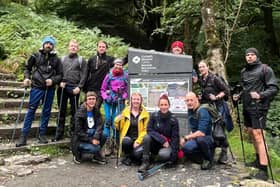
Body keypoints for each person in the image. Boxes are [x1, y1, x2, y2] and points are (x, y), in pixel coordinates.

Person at [233, 48, 278, 180]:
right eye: (247, 55)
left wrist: (260, 95)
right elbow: (245, 88)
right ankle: (258, 160)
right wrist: (239, 95)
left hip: (260, 107)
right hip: (247, 107)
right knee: (251, 132)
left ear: (257, 56)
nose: (250, 57)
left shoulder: (265, 69)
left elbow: (274, 88)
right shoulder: (244, 71)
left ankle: (264, 170)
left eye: (252, 55)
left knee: (259, 135)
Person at [16, 36, 62, 147]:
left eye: (51, 44)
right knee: (31, 111)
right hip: (36, 87)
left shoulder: (56, 59)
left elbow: (60, 74)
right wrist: (26, 78)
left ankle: (42, 135)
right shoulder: (35, 55)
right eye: (47, 43)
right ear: (43, 44)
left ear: (53, 46)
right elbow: (27, 68)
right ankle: (23, 136)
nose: (48, 45)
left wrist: (53, 80)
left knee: (46, 112)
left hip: (49, 89)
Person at [197, 60, 233, 164]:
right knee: (211, 129)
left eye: (203, 67)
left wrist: (216, 97)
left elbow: (227, 90)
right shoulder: (201, 79)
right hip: (208, 107)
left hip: (219, 106)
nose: (201, 69)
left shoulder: (215, 78)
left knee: (220, 129)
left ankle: (224, 152)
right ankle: (211, 150)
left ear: (207, 67)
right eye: (199, 67)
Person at [52, 39, 87, 141]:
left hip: (74, 88)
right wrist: (59, 83)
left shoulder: (81, 60)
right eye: (71, 46)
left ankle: (74, 132)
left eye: (75, 46)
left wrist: (79, 87)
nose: (73, 48)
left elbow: (84, 75)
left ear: (78, 48)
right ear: (68, 47)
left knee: (74, 111)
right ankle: (59, 133)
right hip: (63, 87)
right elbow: (57, 72)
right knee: (61, 110)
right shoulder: (62, 59)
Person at [138, 94, 179, 172]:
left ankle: (158, 158)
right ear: (158, 106)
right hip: (156, 143)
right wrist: (162, 140)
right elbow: (149, 130)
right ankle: (145, 162)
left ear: (169, 105)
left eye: (165, 105)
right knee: (146, 137)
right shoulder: (154, 116)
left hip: (167, 146)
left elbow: (175, 138)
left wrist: (174, 157)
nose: (163, 107)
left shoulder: (173, 119)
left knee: (163, 155)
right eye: (161, 105)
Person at [83, 41, 127, 110]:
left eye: (103, 47)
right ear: (97, 48)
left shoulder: (109, 59)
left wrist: (128, 56)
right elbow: (86, 73)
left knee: (96, 108)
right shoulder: (92, 59)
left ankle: (96, 120)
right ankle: (87, 121)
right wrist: (84, 87)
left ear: (106, 48)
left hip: (101, 89)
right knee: (87, 108)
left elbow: (120, 62)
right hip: (90, 88)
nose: (101, 48)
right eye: (100, 47)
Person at [101, 58, 128, 156]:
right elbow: (103, 89)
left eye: (120, 65)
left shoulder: (125, 76)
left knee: (117, 122)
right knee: (108, 120)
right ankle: (107, 144)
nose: (118, 66)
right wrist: (106, 97)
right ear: (114, 65)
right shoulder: (109, 75)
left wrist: (123, 97)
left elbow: (127, 90)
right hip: (109, 101)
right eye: (116, 64)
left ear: (122, 66)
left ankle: (117, 144)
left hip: (119, 101)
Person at [71, 91, 107, 164]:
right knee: (96, 148)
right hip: (80, 139)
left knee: (104, 134)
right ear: (86, 101)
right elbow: (78, 132)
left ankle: (96, 156)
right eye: (89, 99)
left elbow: (100, 125)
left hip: (92, 135)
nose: (91, 101)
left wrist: (96, 137)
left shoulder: (96, 110)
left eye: (93, 99)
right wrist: (91, 140)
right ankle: (78, 152)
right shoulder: (80, 113)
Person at [181, 92, 214, 170]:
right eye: (187, 100)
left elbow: (201, 132)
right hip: (197, 137)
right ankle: (201, 158)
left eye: (191, 100)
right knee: (186, 148)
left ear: (196, 100)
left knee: (200, 139)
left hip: (207, 137)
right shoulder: (191, 110)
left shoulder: (203, 111)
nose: (189, 102)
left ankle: (208, 159)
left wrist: (186, 138)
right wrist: (190, 137)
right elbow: (194, 128)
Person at [114, 92, 149, 166]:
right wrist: (116, 121)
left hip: (139, 140)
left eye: (138, 99)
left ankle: (130, 157)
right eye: (134, 99)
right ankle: (128, 156)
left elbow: (145, 130)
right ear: (131, 101)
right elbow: (119, 127)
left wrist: (138, 141)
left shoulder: (145, 114)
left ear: (141, 101)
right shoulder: (125, 112)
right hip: (128, 139)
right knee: (126, 141)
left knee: (137, 154)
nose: (136, 101)